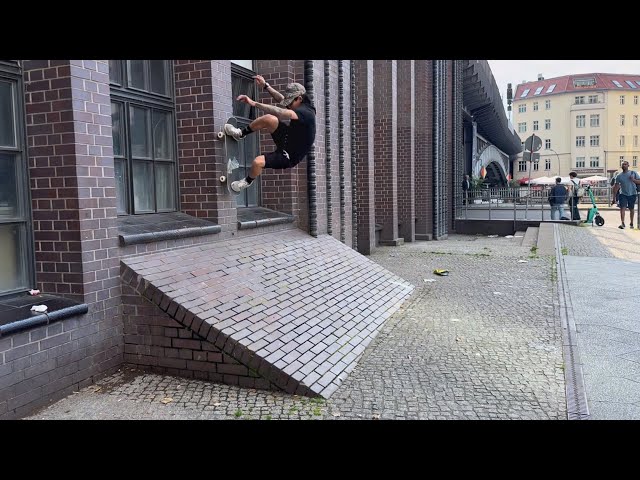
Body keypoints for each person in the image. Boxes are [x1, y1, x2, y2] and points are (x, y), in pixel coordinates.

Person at [223, 75, 317, 193]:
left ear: (299, 99)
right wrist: (266, 86)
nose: (288, 105)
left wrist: (254, 103)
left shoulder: (306, 113)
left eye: (290, 102)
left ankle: (246, 182)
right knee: (269, 119)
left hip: (289, 155)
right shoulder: (299, 104)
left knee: (257, 162)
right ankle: (240, 133)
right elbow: (282, 100)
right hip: (287, 137)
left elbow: (281, 111)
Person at [611, 160, 640, 229]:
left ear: (628, 165)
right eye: (623, 164)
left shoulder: (633, 173)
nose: (624, 165)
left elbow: (639, 182)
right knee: (622, 208)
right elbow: (616, 187)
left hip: (632, 193)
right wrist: (614, 198)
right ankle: (622, 223)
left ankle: (631, 223)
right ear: (621, 166)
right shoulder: (619, 176)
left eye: (625, 164)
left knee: (631, 209)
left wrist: (633, 180)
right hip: (623, 194)